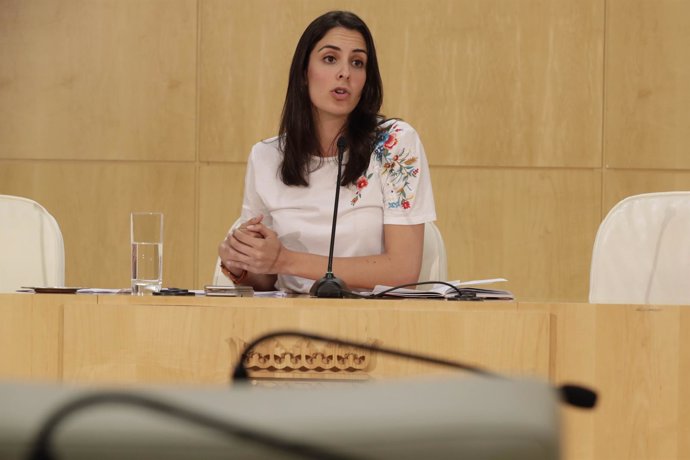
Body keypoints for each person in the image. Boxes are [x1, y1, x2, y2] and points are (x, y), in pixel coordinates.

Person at [218, 10, 436, 293]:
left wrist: (286, 260)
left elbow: (403, 269)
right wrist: (241, 264)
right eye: (330, 59)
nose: (345, 72)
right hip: (289, 325)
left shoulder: (393, 144)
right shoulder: (266, 156)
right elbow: (265, 280)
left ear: (366, 81)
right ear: (303, 75)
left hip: (372, 322)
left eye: (357, 63)